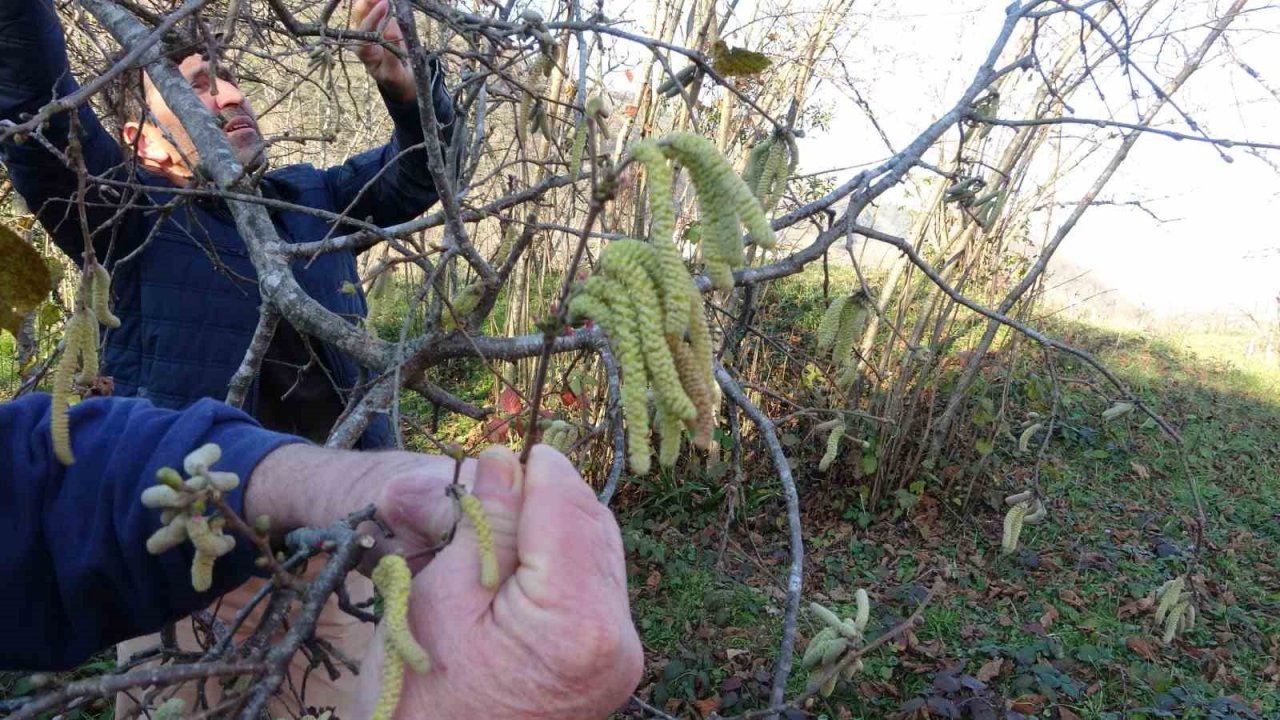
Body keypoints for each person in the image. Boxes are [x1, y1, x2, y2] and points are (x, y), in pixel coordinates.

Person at [0, 393, 644, 719]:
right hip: (179, 564)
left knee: (333, 691)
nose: (234, 125)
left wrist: (366, 490)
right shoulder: (133, 213)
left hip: (353, 542)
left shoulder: (311, 197)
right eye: (209, 121)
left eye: (237, 119)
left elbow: (33, 479)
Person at [0, 0, 452, 448]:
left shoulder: (313, 198)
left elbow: (421, 172)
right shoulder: (127, 217)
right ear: (146, 143)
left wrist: (410, 90)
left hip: (360, 502)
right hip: (201, 509)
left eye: (230, 80)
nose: (233, 97)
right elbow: (35, 107)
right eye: (199, 88)